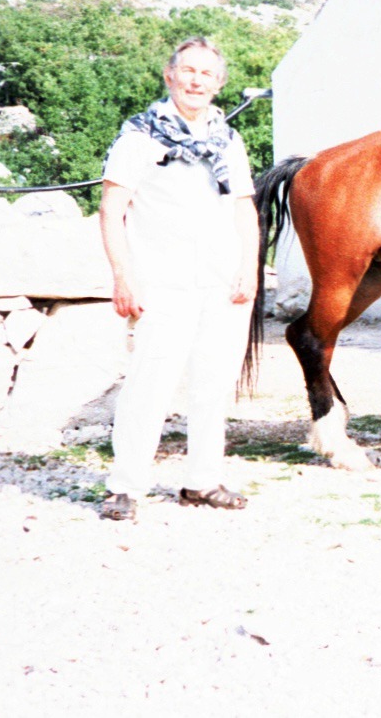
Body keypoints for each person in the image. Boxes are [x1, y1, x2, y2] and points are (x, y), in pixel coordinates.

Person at [97, 37, 259, 521]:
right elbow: (111, 210)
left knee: (212, 385)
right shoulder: (139, 138)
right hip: (160, 282)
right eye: (187, 71)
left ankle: (202, 482)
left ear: (219, 83)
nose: (196, 81)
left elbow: (244, 209)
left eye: (206, 74)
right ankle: (126, 486)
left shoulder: (228, 140)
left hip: (221, 283)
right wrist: (124, 276)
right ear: (169, 76)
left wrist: (248, 268)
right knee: (150, 383)